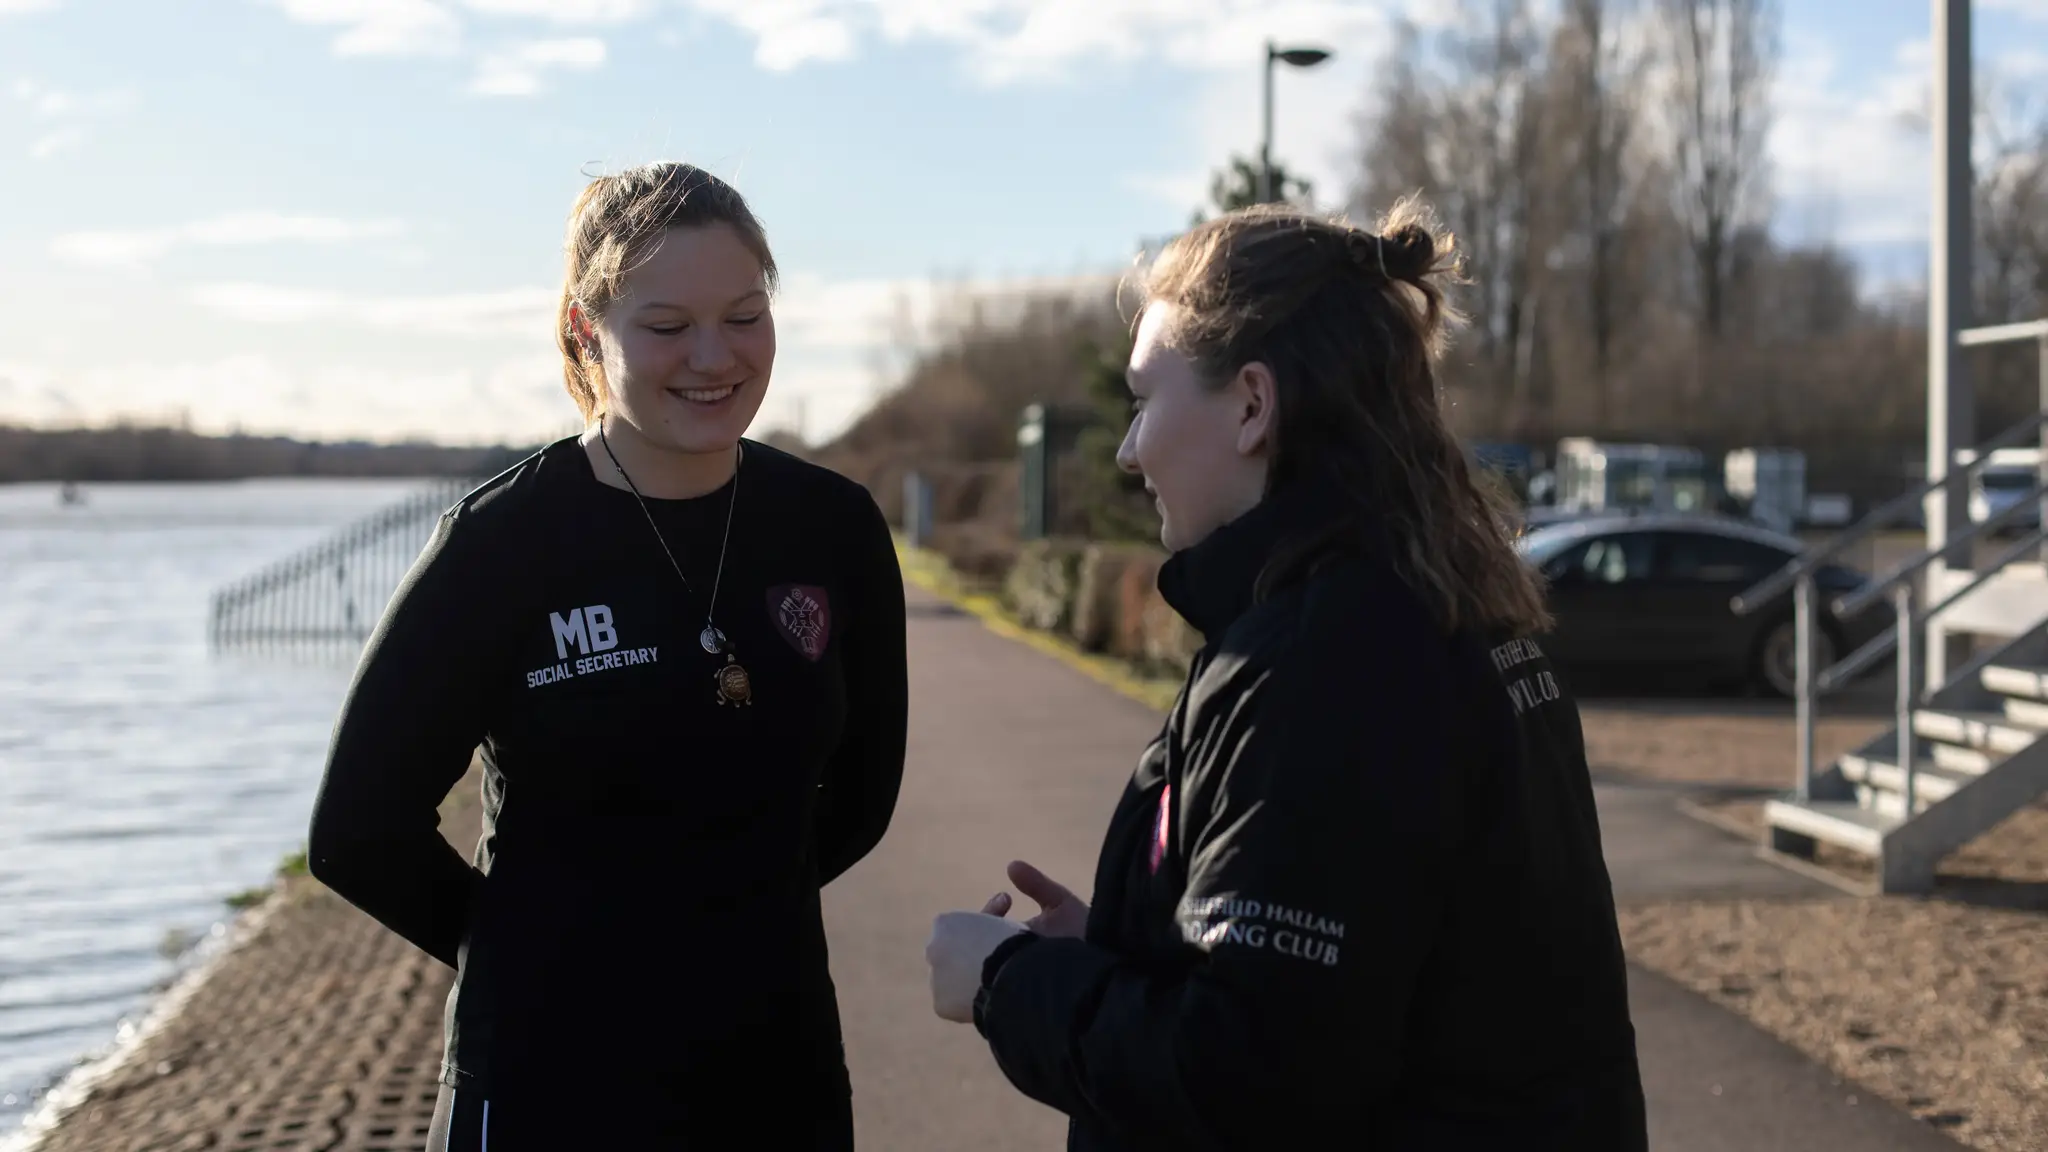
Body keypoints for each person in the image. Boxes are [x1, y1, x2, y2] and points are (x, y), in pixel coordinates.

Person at [925, 198, 1648, 1150]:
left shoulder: (1326, 660)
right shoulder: (1433, 605)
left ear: (1254, 406)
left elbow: (1246, 1074)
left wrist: (1008, 985)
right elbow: (1358, 978)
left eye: (1146, 401)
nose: (1128, 449)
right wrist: (1127, 951)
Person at [308, 161, 908, 1150]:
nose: (714, 357)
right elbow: (357, 833)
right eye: (666, 326)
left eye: (745, 315)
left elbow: (859, 797)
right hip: (551, 1077)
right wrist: (529, 955)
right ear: (587, 331)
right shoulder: (501, 545)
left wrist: (727, 926)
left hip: (774, 1067)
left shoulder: (830, 528)